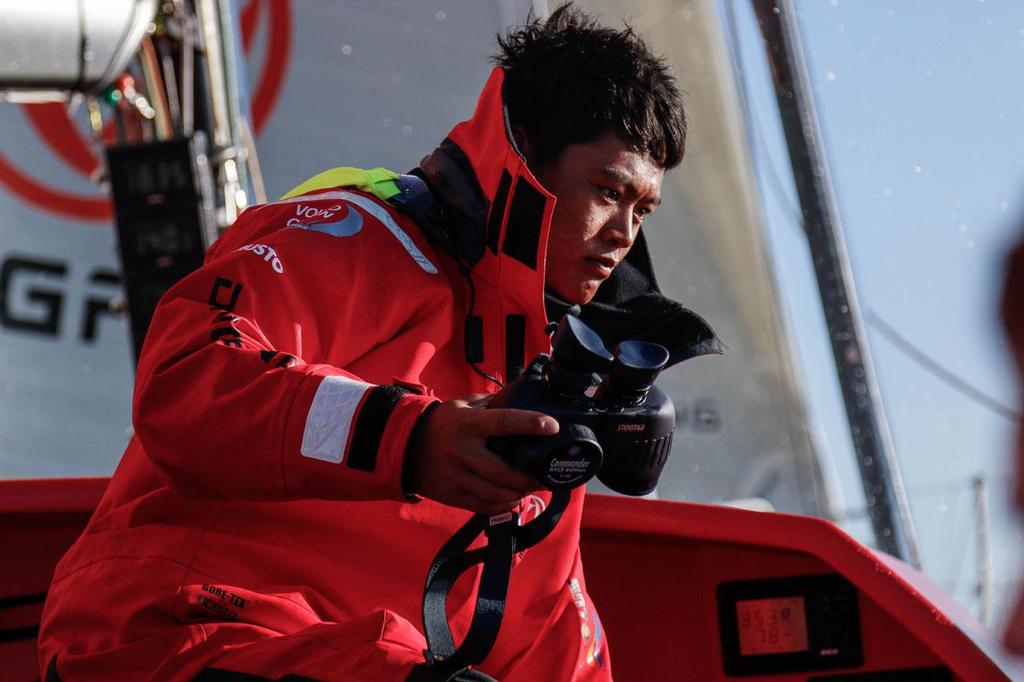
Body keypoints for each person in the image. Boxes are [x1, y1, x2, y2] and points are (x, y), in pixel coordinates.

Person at [38, 6, 718, 681]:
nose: (624, 233)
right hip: (174, 639)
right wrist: (407, 441)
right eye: (607, 191)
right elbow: (188, 381)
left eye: (643, 210)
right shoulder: (356, 237)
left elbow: (546, 630)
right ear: (528, 159)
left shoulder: (553, 383)